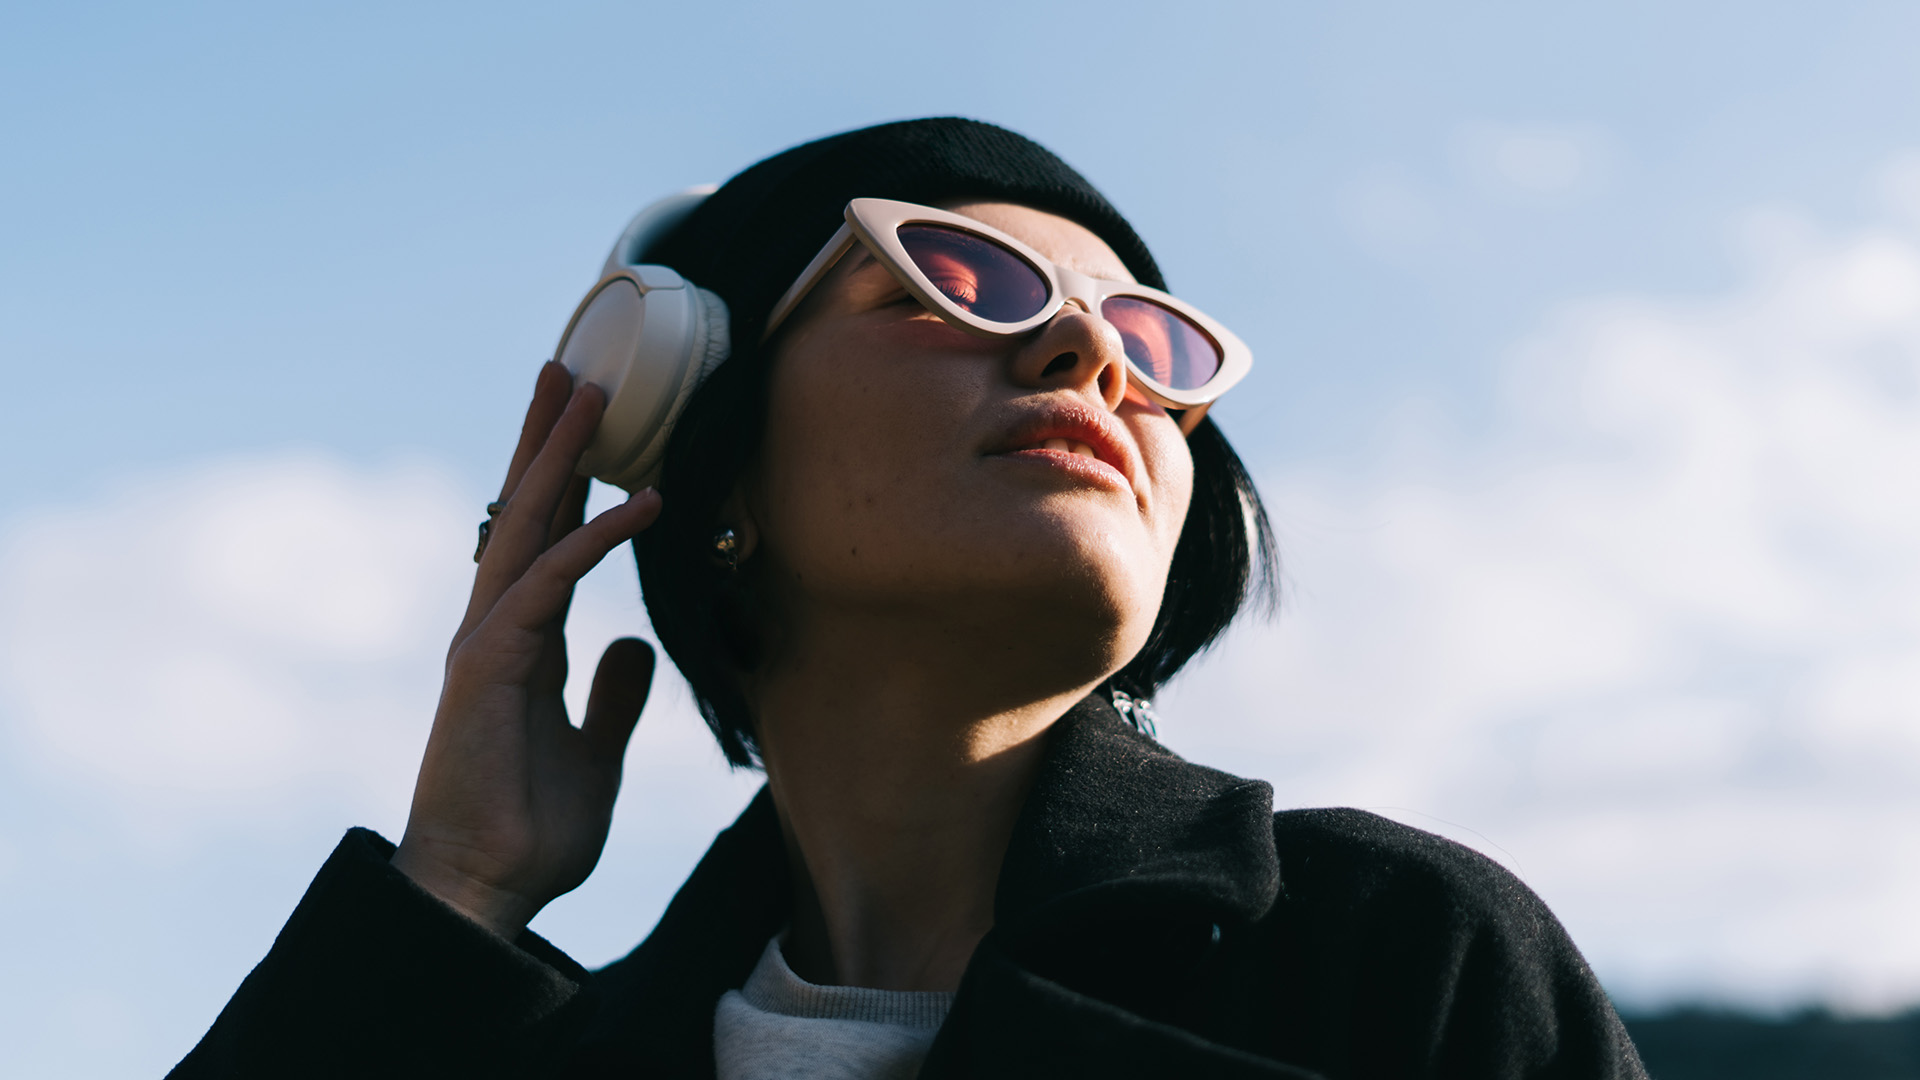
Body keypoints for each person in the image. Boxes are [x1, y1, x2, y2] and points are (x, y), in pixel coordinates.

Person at [169, 118, 1647, 1079]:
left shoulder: (1393, 955)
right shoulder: (553, 1060)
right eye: (958, 281)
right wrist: (451, 894)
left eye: (1150, 340)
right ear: (706, 440)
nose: (1090, 361)